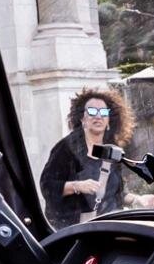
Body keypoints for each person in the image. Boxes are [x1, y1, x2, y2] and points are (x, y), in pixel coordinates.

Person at [38, 89, 131, 222]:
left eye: (103, 112)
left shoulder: (113, 149)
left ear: (109, 120)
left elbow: (117, 193)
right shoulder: (66, 148)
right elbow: (47, 186)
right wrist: (77, 186)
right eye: (92, 111)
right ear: (82, 118)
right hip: (75, 228)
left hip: (109, 224)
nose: (98, 116)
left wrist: (138, 199)